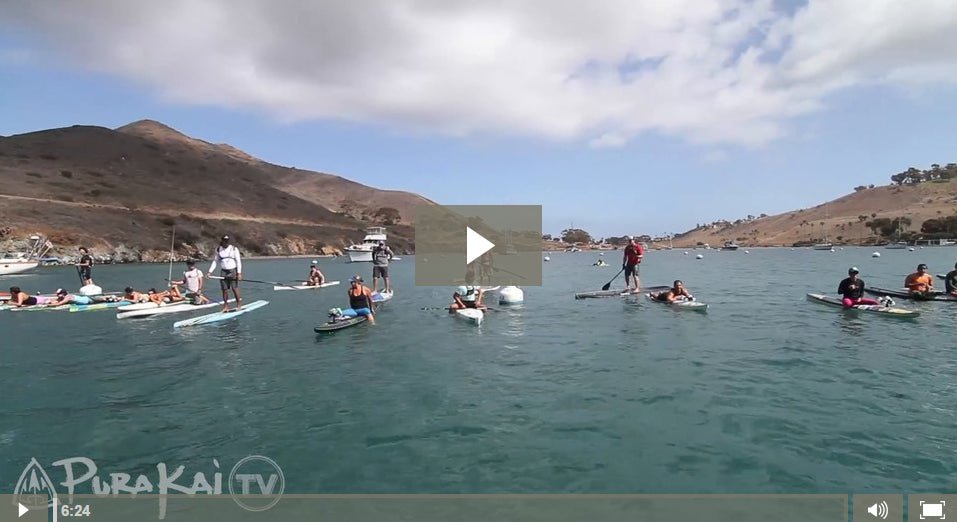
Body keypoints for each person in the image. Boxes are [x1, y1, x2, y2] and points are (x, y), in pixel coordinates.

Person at [209, 235, 242, 312]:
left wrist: (239, 273)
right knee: (224, 290)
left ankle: (239, 304)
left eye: (227, 241)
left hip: (233, 270)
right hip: (223, 271)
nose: (226, 242)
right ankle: (226, 306)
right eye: (224, 241)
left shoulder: (234, 249)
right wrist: (210, 271)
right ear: (222, 241)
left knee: (234, 288)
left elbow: (238, 261)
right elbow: (215, 261)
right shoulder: (218, 249)